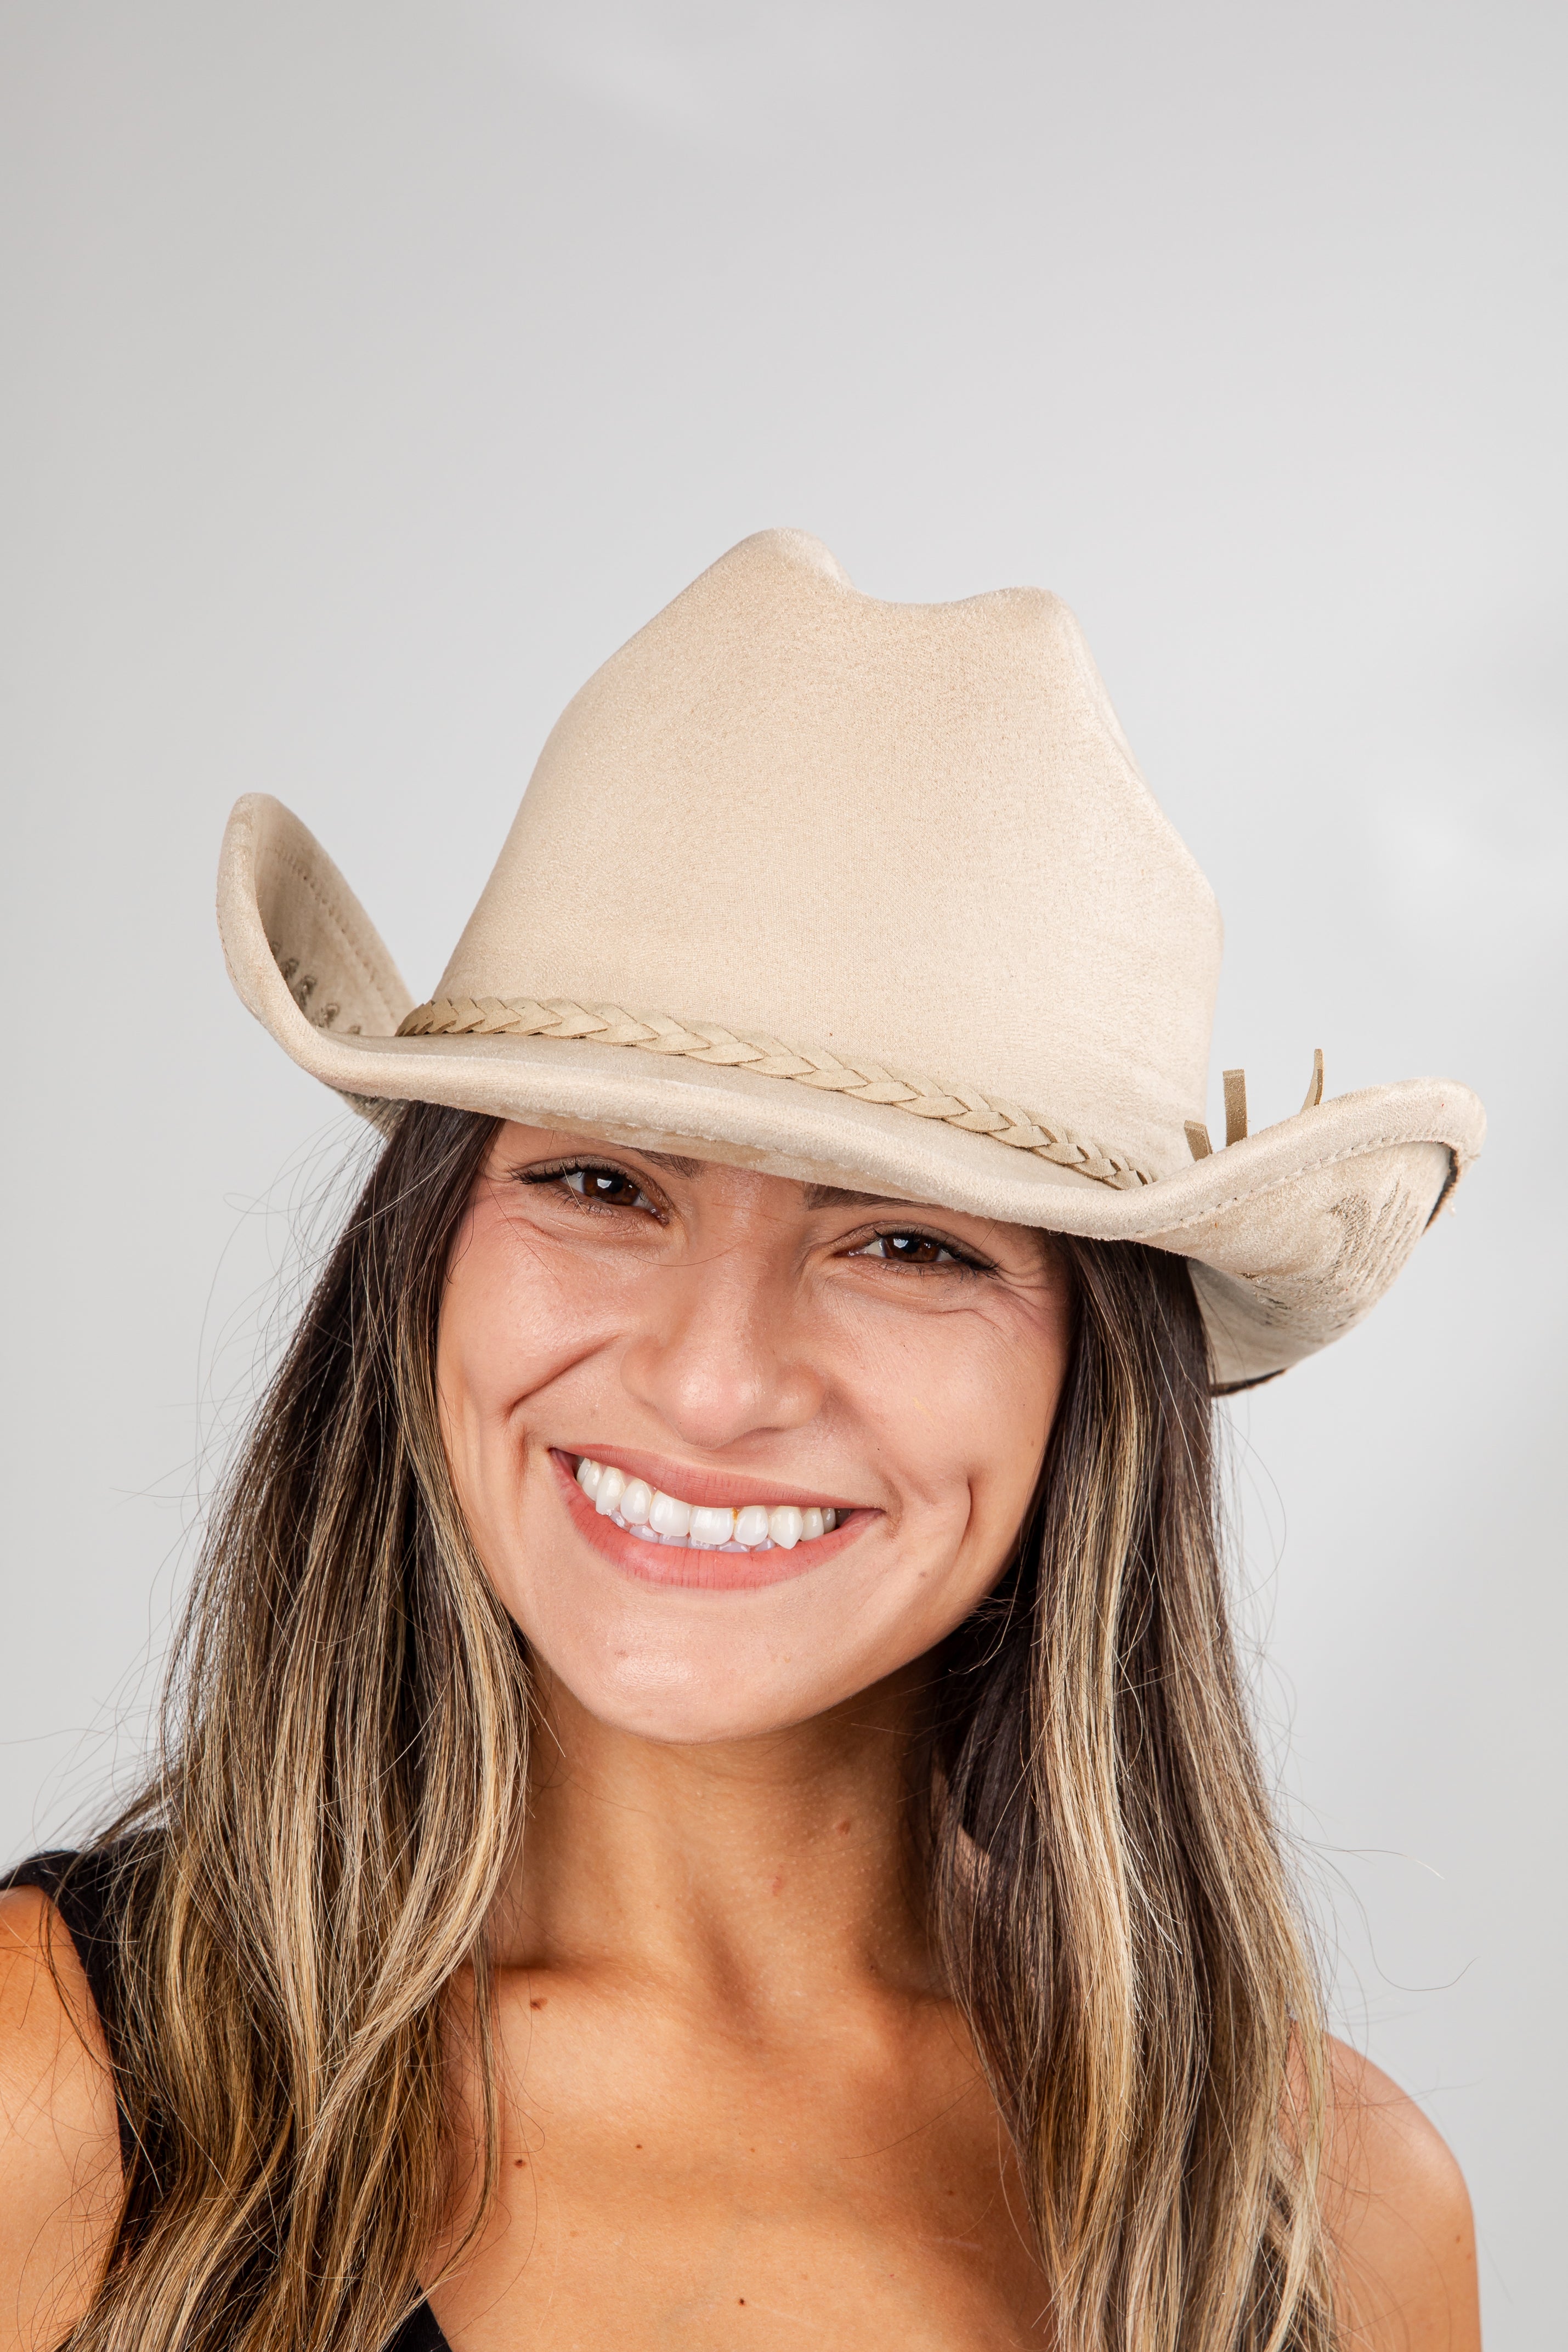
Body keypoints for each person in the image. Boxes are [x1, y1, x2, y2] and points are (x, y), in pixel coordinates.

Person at [0, 533, 1484, 2351]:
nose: (712, 1384)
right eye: (602, 1183)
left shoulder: (1327, 2211)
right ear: (426, 1260)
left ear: (1095, 1385)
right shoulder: (55, 2087)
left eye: (909, 1243)